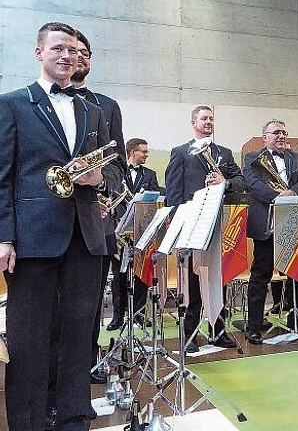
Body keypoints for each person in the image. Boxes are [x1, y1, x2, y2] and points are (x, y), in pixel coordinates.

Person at [0, 22, 122, 431]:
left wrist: (99, 178)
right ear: (39, 53)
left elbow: (115, 168)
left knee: (78, 335)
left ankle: (73, 418)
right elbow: (3, 177)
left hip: (84, 236)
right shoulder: (14, 103)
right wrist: (4, 236)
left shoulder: (94, 110)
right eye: (57, 49)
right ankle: (29, 422)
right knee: (29, 339)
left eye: (72, 50)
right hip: (32, 237)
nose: (67, 56)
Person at [70, 30, 128, 388]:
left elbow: (117, 164)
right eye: (73, 51)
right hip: (49, 222)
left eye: (86, 54)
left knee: (89, 302)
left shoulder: (106, 105)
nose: (80, 58)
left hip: (97, 218)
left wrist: (102, 183)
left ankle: (88, 360)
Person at [165, 105, 244, 352]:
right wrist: (180, 223)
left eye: (211, 118)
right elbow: (173, 192)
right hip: (192, 223)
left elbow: (241, 181)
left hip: (217, 222)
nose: (208, 122)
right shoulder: (180, 152)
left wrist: (226, 181)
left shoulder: (224, 153)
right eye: (203, 118)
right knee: (191, 279)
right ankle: (188, 334)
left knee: (217, 278)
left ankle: (217, 330)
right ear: (193, 123)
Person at [243, 119, 298, 345]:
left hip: (293, 222)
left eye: (284, 132)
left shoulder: (296, 158)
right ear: (264, 137)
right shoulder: (252, 158)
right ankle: (254, 326)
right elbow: (252, 183)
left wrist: (291, 194)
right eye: (275, 132)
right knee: (260, 275)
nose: (281, 136)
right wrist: (276, 198)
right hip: (267, 224)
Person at [106, 138, 161, 332]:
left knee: (141, 275)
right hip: (119, 230)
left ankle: (138, 314)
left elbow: (155, 199)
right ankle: (118, 317)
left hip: (142, 231)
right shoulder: (117, 172)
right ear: (131, 152)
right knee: (119, 276)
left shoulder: (150, 175)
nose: (146, 155)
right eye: (143, 152)